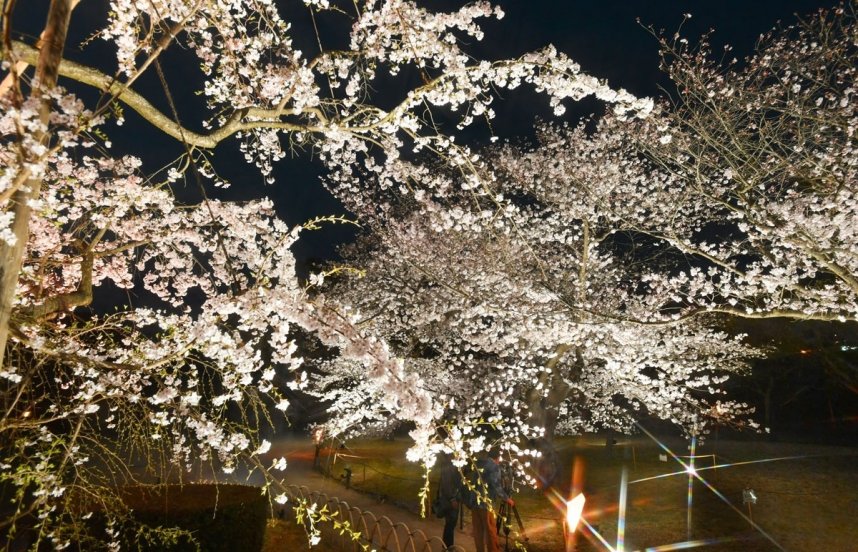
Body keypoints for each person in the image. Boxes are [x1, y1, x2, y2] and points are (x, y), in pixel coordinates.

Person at [469, 449, 514, 552]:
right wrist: (507, 498)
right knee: (491, 532)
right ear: (497, 458)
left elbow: (472, 483)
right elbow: (496, 485)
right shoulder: (493, 467)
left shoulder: (479, 464)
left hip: (475, 503)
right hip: (486, 504)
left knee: (478, 532)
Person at [436, 453, 462, 549]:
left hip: (451, 497)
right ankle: (448, 546)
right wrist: (453, 499)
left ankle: (447, 545)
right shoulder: (448, 465)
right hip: (450, 499)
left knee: (450, 524)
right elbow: (447, 484)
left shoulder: (448, 464)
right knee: (450, 524)